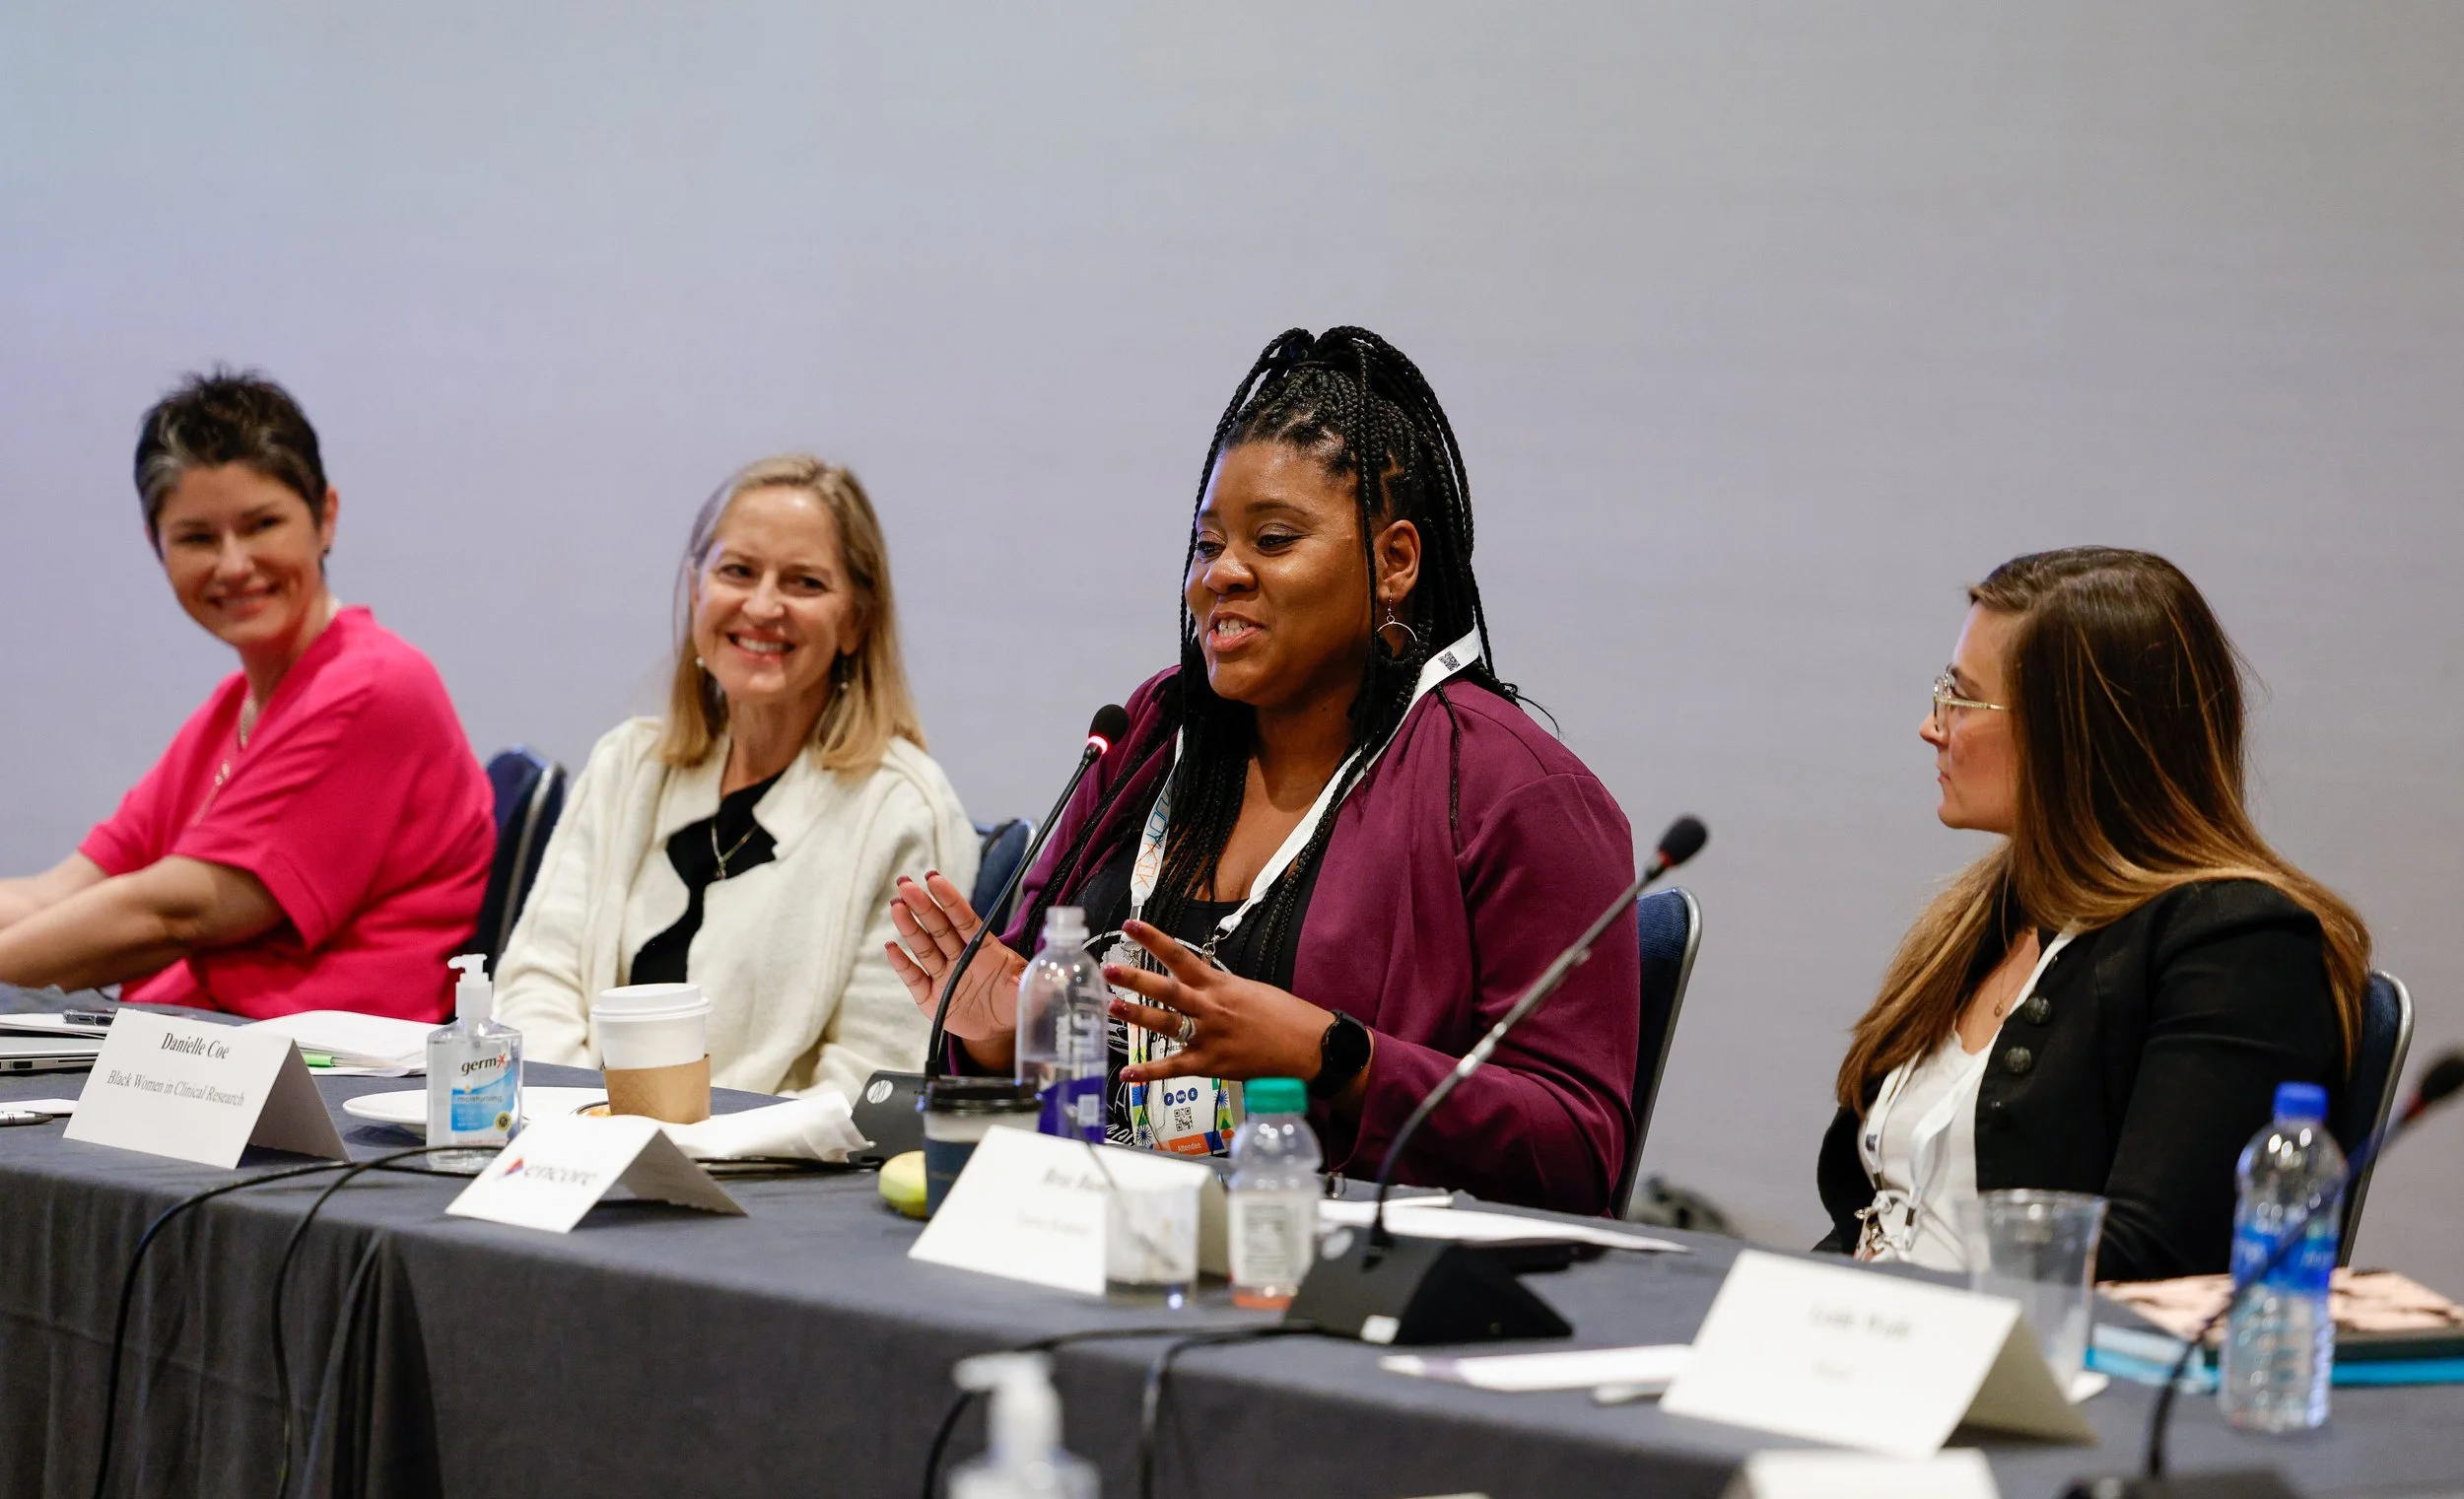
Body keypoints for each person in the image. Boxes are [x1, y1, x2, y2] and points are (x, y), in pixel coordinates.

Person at [886, 328, 1639, 1216]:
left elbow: (1578, 1145)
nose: (1221, 577)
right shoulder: (1153, 733)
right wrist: (996, 1034)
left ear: (1395, 560)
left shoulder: (1513, 792)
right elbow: (1026, 1052)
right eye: (1208, 546)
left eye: (1273, 540)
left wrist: (1333, 1056)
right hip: (1084, 1232)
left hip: (1321, 1286)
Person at [1817, 547, 2370, 1281]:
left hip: (2039, 1377)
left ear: (2073, 733)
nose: (1932, 725)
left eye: (1961, 695)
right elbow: (1856, 1211)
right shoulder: (1972, 922)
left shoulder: (2238, 946)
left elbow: (2154, 1253)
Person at [0, 371, 493, 1019]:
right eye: (198, 537)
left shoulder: (374, 687)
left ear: (326, 519)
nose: (233, 565)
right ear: (158, 548)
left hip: (315, 1088)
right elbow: (53, 895)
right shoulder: (231, 711)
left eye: (261, 524)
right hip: (188, 1061)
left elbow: (173, 912)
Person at [493, 455, 975, 1101]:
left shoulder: (905, 812)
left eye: (804, 582)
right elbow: (534, 983)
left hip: (770, 1185)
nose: (763, 604)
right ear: (697, 590)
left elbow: (871, 1083)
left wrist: (680, 1156)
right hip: (578, 1150)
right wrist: (589, 1125)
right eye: (737, 571)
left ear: (857, 619)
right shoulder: (626, 767)